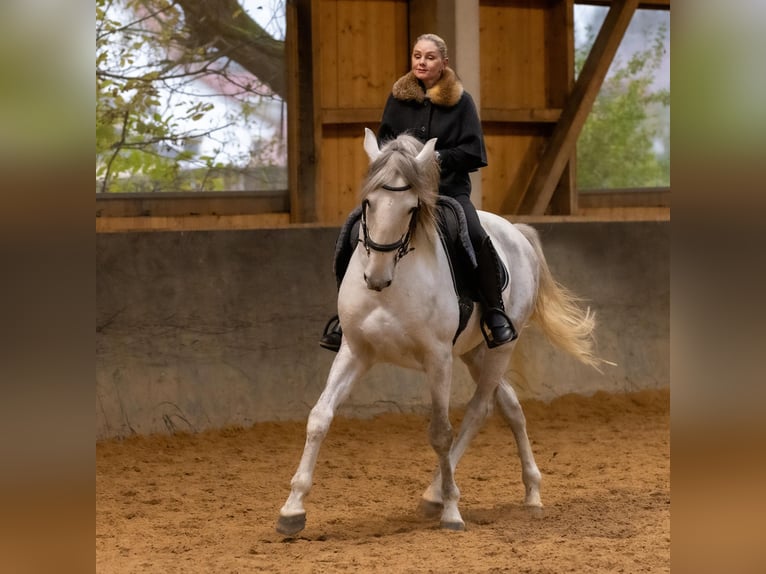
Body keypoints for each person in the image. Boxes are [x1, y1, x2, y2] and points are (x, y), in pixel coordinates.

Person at [320, 33, 516, 351]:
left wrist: (439, 157)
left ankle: (494, 313)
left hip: (447, 193)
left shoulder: (462, 102)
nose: (421, 62)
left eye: (429, 57)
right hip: (401, 193)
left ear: (444, 63)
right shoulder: (397, 100)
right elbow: (384, 145)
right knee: (352, 229)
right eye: (417, 56)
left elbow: (474, 151)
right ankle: (343, 318)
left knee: (474, 234)